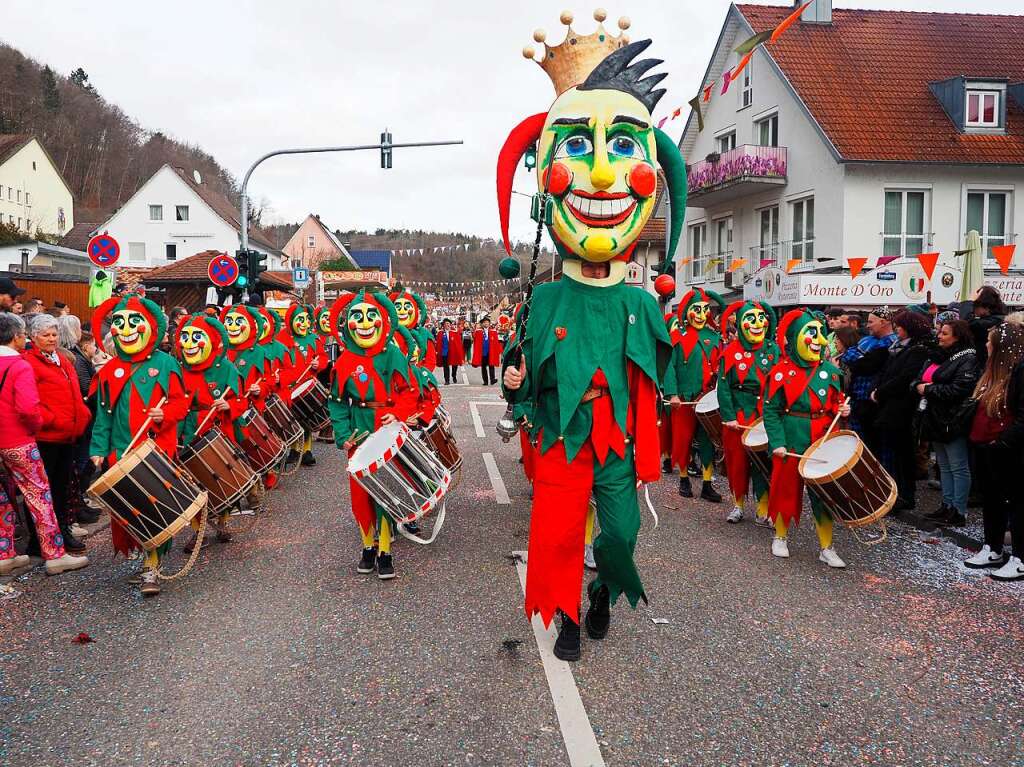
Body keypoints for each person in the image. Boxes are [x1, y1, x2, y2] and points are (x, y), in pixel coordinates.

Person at [498, 37, 680, 661]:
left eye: (624, 147)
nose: (602, 174)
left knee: (621, 537)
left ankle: (604, 592)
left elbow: (668, 376)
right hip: (559, 437)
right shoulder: (543, 300)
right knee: (555, 539)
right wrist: (513, 380)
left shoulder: (643, 302)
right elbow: (515, 378)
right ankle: (566, 617)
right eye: (577, 147)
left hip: (618, 443)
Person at [89, 295, 191, 597]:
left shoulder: (166, 363)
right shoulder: (109, 370)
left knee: (155, 509)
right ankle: (144, 556)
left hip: (156, 449)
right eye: (119, 323)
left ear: (150, 327)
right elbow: (104, 415)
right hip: (120, 451)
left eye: (134, 322)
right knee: (129, 511)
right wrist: (97, 449)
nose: (126, 328)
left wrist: (165, 414)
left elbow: (181, 403)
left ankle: (152, 565)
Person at [327, 290, 420, 580]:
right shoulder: (344, 360)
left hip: (387, 428)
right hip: (359, 430)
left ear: (382, 320)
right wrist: (342, 434)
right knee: (361, 495)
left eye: (371, 316)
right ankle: (367, 546)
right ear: (347, 323)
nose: (365, 323)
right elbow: (337, 402)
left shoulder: (392, 352)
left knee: (385, 492)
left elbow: (410, 390)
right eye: (357, 317)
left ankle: (384, 550)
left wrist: (400, 413)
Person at [0, 312, 89, 576]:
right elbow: (28, 408)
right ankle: (53, 553)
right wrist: (38, 425)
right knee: (40, 495)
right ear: (19, 336)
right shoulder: (20, 364)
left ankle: (4, 553)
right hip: (20, 440)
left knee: (3, 499)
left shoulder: (55, 359)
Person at [763, 309, 851, 567]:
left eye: (821, 333)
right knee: (785, 489)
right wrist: (777, 442)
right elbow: (771, 410)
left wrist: (843, 410)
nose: (819, 340)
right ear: (795, 337)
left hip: (822, 438)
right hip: (791, 436)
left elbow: (835, 403)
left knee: (823, 495)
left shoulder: (831, 372)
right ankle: (780, 536)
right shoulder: (780, 372)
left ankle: (827, 546)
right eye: (811, 333)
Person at [23, 313, 93, 552]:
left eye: (54, 334)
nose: (51, 339)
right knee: (45, 490)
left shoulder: (61, 359)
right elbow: (31, 401)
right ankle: (38, 539)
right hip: (47, 436)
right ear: (34, 337)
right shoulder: (30, 362)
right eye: (46, 335)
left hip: (68, 434)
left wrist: (82, 415)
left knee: (63, 487)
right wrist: (50, 420)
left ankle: (62, 530)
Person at [963, 322, 1024, 580]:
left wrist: (1003, 443)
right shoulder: (991, 373)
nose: (986, 345)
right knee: (992, 499)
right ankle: (993, 547)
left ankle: (1020, 558)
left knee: (1017, 503)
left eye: (991, 341)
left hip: (1010, 451)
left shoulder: (1019, 373)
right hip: (988, 448)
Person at [717, 300, 778, 525]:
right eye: (750, 319)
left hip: (766, 414)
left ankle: (763, 508)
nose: (756, 324)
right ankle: (738, 505)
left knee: (764, 463)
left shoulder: (773, 350)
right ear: (741, 324)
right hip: (740, 413)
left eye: (760, 318)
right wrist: (729, 416)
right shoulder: (730, 352)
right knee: (737, 462)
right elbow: (723, 387)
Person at [913, 319, 977, 527]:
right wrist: (921, 386)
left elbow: (960, 389)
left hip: (952, 419)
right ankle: (947, 505)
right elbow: (919, 378)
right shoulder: (941, 356)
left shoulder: (967, 358)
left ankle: (959, 510)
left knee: (958, 466)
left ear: (957, 336)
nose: (939, 336)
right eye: (939, 332)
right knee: (945, 466)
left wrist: (929, 389)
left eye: (945, 333)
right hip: (935, 417)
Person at [665, 288, 725, 502]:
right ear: (687, 312)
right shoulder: (676, 337)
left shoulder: (713, 336)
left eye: (704, 310)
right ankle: (683, 479)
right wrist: (672, 394)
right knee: (683, 439)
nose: (700, 314)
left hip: (707, 398)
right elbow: (668, 367)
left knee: (708, 441)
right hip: (684, 398)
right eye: (696, 310)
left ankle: (707, 483)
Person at [871, 310, 934, 511]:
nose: (896, 329)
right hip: (891, 407)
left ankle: (905, 495)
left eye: (899, 326)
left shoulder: (918, 350)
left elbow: (904, 378)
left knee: (903, 455)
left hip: (903, 408)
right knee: (895, 454)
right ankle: (896, 493)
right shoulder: (900, 348)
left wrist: (880, 392)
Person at [966, 286, 1007, 368]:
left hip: (987, 368)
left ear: (986, 307)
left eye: (975, 305)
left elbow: (966, 323)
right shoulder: (997, 319)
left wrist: (970, 302)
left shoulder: (993, 321)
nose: (973, 309)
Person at [472, 316, 502, 385]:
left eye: (487, 322)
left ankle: (492, 379)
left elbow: (496, 342)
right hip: (482, 352)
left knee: (491, 365)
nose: (486, 324)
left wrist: (498, 350)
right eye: (485, 323)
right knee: (483, 367)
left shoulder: (493, 331)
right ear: (482, 324)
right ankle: (485, 381)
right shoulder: (478, 331)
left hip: (490, 351)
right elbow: (475, 340)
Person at [435, 318, 463, 385]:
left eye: (448, 323)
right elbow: (438, 343)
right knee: (446, 366)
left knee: (454, 365)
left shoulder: (454, 332)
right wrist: (438, 351)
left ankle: (454, 375)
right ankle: (447, 380)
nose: (447, 325)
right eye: (446, 324)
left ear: (450, 325)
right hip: (445, 352)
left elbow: (458, 343)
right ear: (443, 325)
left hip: (453, 352)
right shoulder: (440, 333)